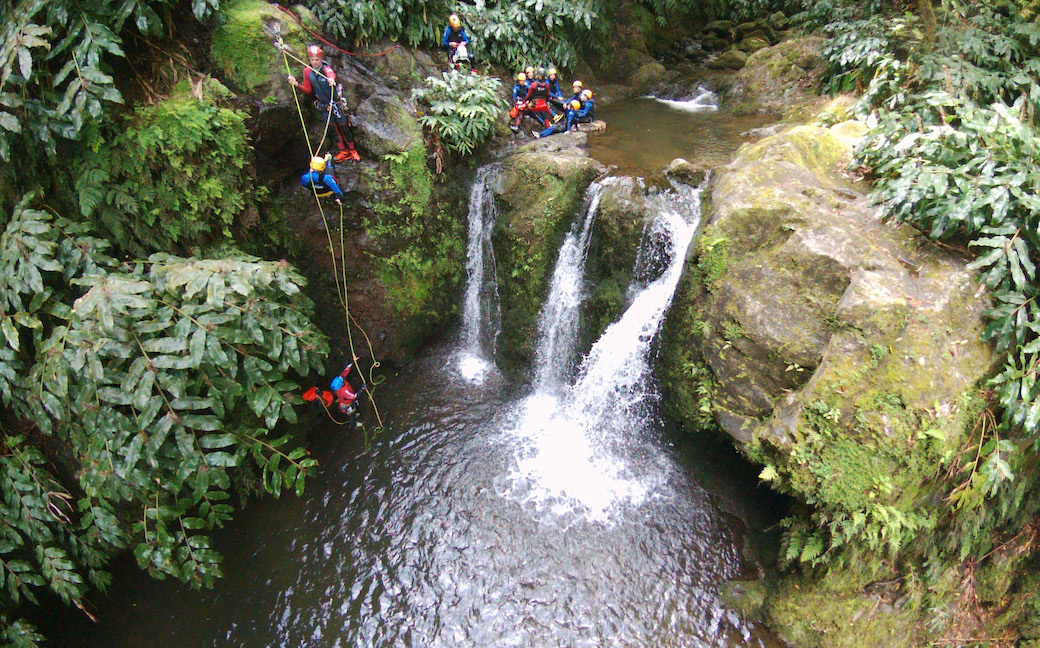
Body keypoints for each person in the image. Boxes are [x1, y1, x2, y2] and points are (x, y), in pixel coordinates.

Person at [288, 45, 360, 163]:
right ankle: (343, 151)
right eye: (312, 59)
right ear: (310, 59)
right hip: (323, 105)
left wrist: (331, 79)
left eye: (317, 59)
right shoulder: (307, 72)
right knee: (332, 128)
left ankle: (353, 151)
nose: (315, 62)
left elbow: (330, 73)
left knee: (344, 126)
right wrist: (296, 84)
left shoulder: (326, 69)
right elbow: (308, 90)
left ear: (321, 59)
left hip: (335, 103)